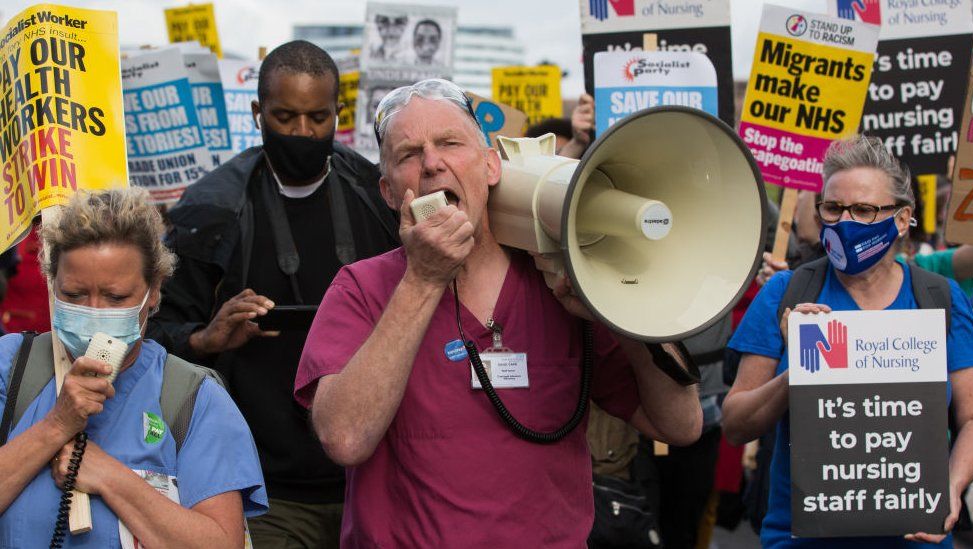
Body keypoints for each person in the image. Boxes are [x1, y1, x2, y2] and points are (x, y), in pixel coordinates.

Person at [293, 78, 702, 546]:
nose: (432, 164)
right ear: (389, 192)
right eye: (409, 154)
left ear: (490, 166)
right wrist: (423, 280)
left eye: (450, 143)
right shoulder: (361, 289)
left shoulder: (557, 281)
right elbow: (344, 439)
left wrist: (616, 300)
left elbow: (681, 424)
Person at [148, 40, 397, 548]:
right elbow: (151, 336)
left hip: (378, 478)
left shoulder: (379, 196)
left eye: (317, 117)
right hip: (266, 490)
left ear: (338, 113)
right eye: (284, 117)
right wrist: (206, 338)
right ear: (258, 112)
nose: (302, 133)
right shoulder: (212, 211)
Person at [722, 135, 973, 548]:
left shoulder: (940, 298)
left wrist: (951, 485)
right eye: (833, 209)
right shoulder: (787, 292)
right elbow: (735, 425)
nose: (844, 222)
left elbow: (972, 418)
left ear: (901, 218)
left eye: (863, 210)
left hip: (918, 538)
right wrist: (801, 372)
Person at [0, 188, 266, 547]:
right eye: (75, 295)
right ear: (52, 283)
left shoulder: (192, 398)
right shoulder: (12, 366)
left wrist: (110, 478)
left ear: (153, 290)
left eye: (115, 297)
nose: (95, 311)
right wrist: (57, 425)